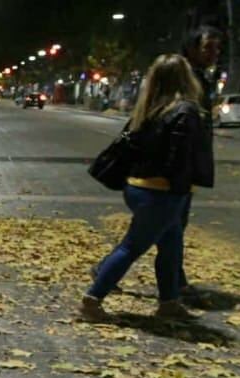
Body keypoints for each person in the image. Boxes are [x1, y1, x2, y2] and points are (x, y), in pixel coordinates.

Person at [81, 55, 211, 323]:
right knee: (132, 246)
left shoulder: (149, 108)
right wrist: (181, 190)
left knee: (171, 245)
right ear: (186, 78)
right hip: (163, 191)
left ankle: (169, 302)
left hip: (139, 187)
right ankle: (92, 301)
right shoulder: (185, 111)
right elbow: (180, 158)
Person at [176, 26, 220, 298]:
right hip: (178, 164)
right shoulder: (183, 77)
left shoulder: (200, 77)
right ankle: (175, 283)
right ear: (192, 48)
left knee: (162, 225)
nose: (214, 53)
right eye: (208, 47)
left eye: (217, 48)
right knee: (166, 225)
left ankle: (175, 282)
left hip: (187, 163)